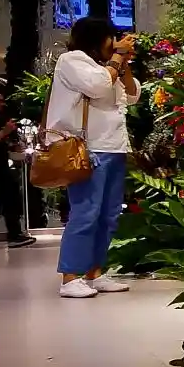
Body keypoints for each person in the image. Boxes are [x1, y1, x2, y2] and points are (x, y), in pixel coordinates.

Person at [47, 17, 138, 298]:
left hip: (114, 147)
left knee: (109, 215)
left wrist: (123, 63)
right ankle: (70, 277)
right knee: (85, 212)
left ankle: (94, 273)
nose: (115, 42)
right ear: (97, 39)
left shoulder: (106, 66)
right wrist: (117, 58)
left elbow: (132, 95)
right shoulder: (72, 60)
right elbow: (97, 87)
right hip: (86, 149)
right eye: (112, 37)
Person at [0, 74, 35, 251]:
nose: (1, 104)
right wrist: (2, 134)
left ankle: (15, 234)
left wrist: (14, 145)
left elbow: (5, 141)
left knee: (11, 196)